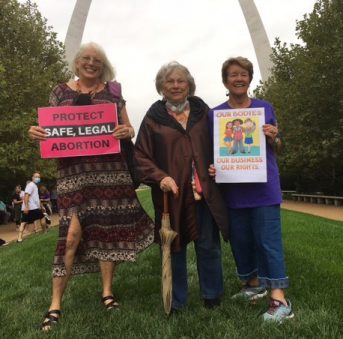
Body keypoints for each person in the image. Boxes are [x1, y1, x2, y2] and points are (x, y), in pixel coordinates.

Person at [28, 42, 154, 331]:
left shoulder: (113, 92)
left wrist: (126, 131)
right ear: (77, 62)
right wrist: (36, 132)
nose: (91, 63)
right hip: (73, 175)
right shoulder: (60, 92)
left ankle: (107, 292)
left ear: (103, 65)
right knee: (70, 236)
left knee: (107, 232)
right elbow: (49, 129)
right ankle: (55, 302)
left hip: (110, 173)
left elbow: (128, 128)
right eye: (86, 58)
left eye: (97, 60)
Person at [134, 61, 229, 312]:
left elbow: (222, 142)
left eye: (181, 81)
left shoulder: (202, 112)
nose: (175, 85)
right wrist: (160, 177)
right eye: (170, 81)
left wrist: (220, 164)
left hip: (203, 193)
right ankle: (177, 300)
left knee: (208, 245)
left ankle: (212, 295)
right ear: (161, 87)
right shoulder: (153, 118)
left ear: (189, 85)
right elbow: (141, 156)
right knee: (174, 247)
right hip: (172, 196)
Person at [208, 56, 293, 322]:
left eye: (243, 74)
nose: (239, 78)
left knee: (268, 242)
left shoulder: (264, 108)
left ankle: (279, 299)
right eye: (233, 74)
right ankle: (253, 284)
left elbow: (279, 147)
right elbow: (212, 151)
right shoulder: (216, 114)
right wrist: (213, 167)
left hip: (263, 188)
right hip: (233, 191)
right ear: (225, 80)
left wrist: (273, 136)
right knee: (241, 241)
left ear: (250, 78)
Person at [17, 172, 47, 242]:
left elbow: (36, 198)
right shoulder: (31, 185)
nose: (38, 178)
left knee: (23, 222)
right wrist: (27, 207)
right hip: (32, 207)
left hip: (31, 207)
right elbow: (26, 196)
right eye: (36, 177)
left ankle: (19, 239)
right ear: (32, 178)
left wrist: (41, 206)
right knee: (42, 217)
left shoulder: (34, 186)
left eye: (39, 177)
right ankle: (45, 232)